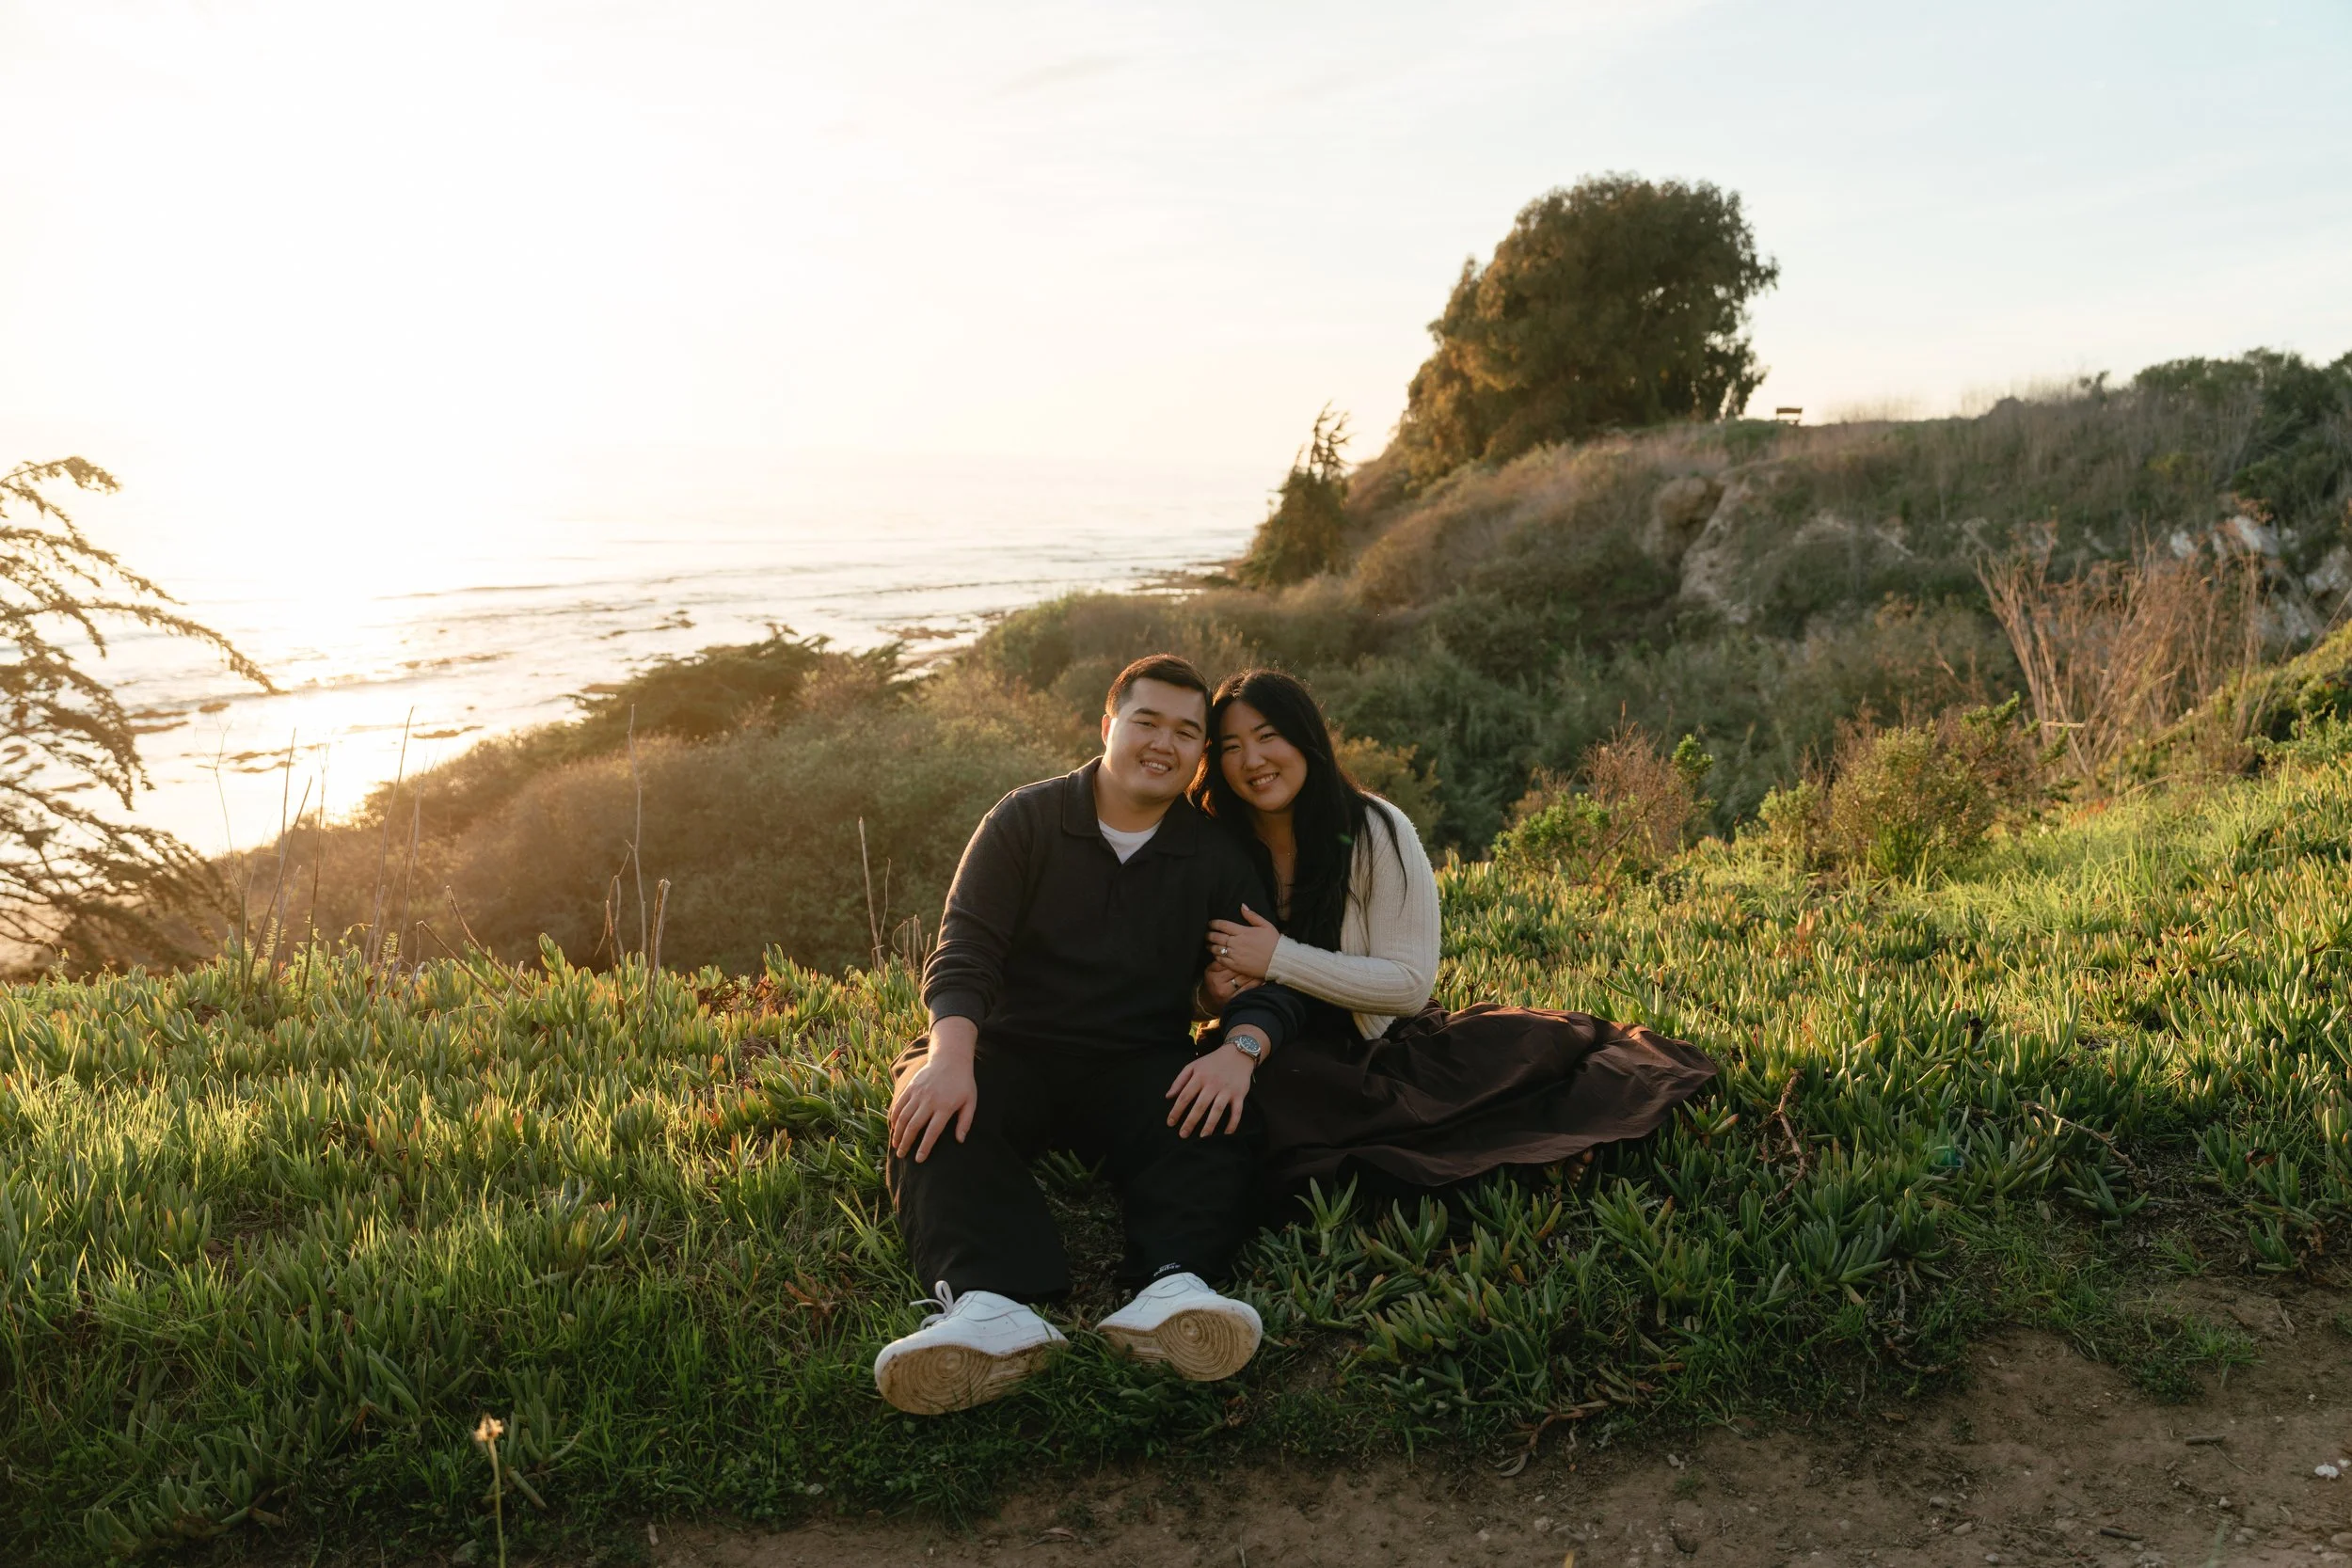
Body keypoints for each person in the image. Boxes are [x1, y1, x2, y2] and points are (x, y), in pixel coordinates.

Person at [874, 654, 1308, 1417]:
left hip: (1139, 1059)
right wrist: (949, 1054)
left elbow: (1264, 984)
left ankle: (1170, 1291)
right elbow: (965, 948)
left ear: (1199, 753)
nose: (1163, 744)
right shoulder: (1026, 818)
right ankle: (991, 1305)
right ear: (1107, 725)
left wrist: (1240, 1050)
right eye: (1146, 722)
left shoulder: (1214, 852)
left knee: (1218, 1113)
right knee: (930, 1112)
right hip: (1012, 1049)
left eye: (1186, 733)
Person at [1192, 667, 1718, 1209]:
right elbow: (1184, 982)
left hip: (1380, 1043)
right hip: (1273, 1050)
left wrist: (1278, 957)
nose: (1252, 760)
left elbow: (1407, 985)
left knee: (1538, 1060)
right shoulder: (1213, 843)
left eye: (1267, 736)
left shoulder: (1375, 829)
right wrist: (1211, 994)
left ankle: (1531, 1152)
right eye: (1231, 746)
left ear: (1305, 738)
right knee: (1261, 1108)